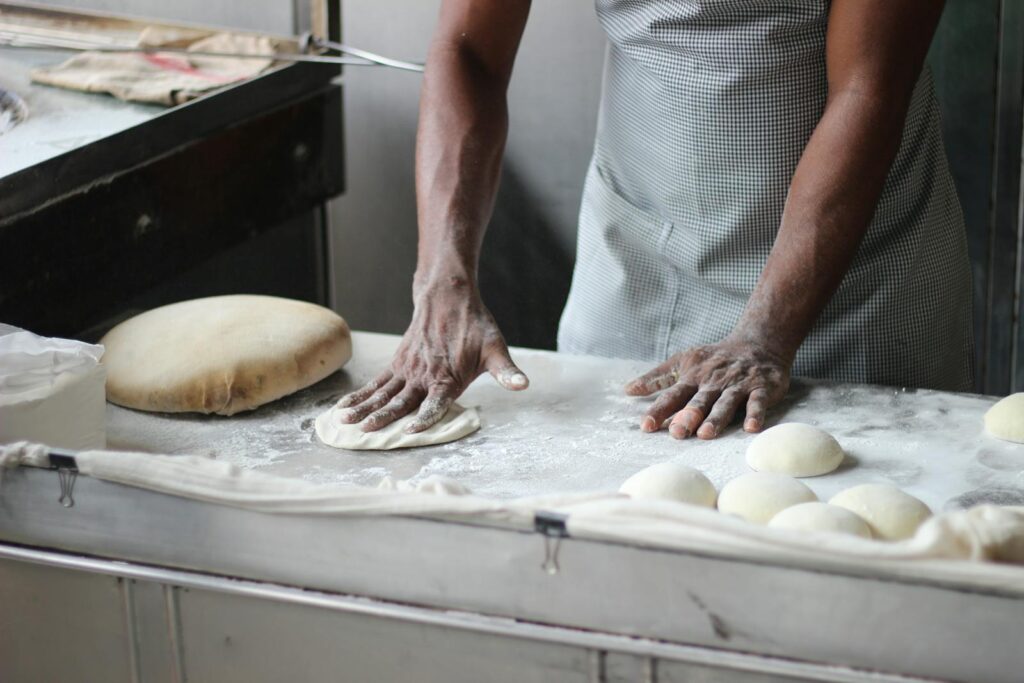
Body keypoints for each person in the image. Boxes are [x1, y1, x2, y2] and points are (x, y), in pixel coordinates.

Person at [337, 0, 971, 441]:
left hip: (850, 278)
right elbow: (469, 51)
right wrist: (442, 278)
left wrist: (766, 333)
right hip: (636, 251)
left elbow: (869, 88)